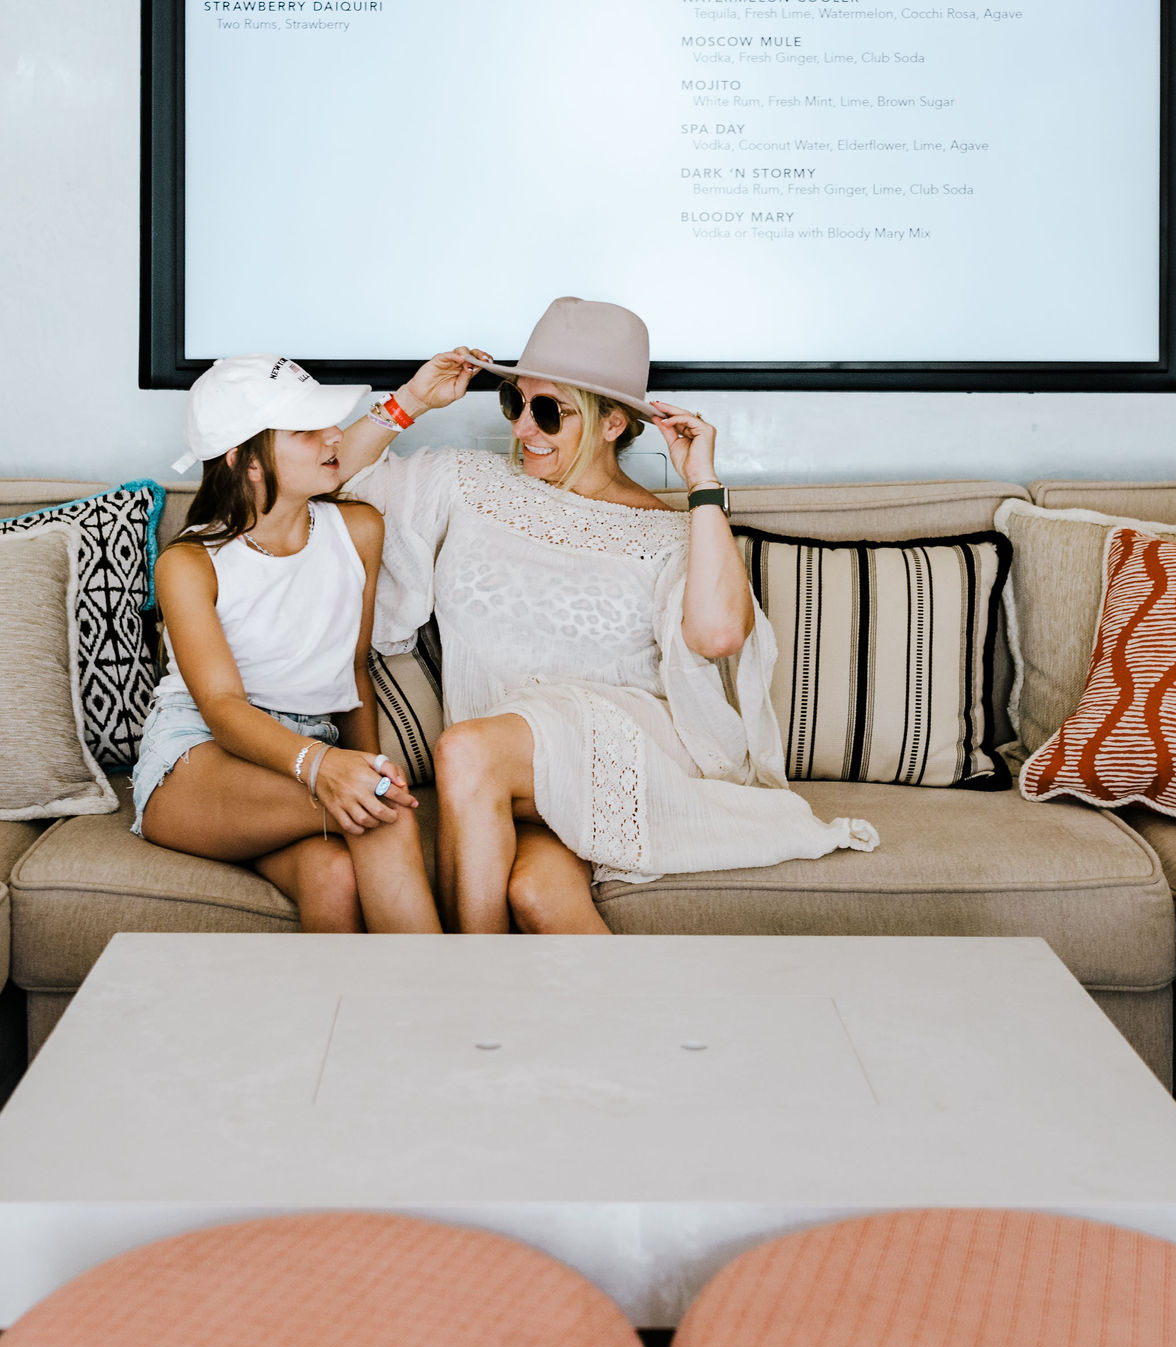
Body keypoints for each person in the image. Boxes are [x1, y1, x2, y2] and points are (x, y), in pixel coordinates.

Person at [334, 297, 875, 933]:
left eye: (547, 412)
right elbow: (324, 478)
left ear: (613, 423)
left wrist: (703, 484)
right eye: (515, 405)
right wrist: (411, 401)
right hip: (518, 768)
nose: (523, 430)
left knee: (468, 750)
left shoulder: (670, 535)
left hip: (623, 748)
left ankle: (465, 1001)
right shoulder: (467, 485)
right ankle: (638, 1029)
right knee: (536, 890)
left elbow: (719, 633)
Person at [134, 355, 440, 933]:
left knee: (334, 874)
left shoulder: (358, 531)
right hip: (198, 757)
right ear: (246, 461)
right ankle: (445, 1009)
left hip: (302, 751)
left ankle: (339, 1021)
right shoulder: (190, 563)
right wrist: (325, 768)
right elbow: (222, 708)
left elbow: (353, 673)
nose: (333, 438)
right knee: (382, 809)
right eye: (307, 430)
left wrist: (360, 763)